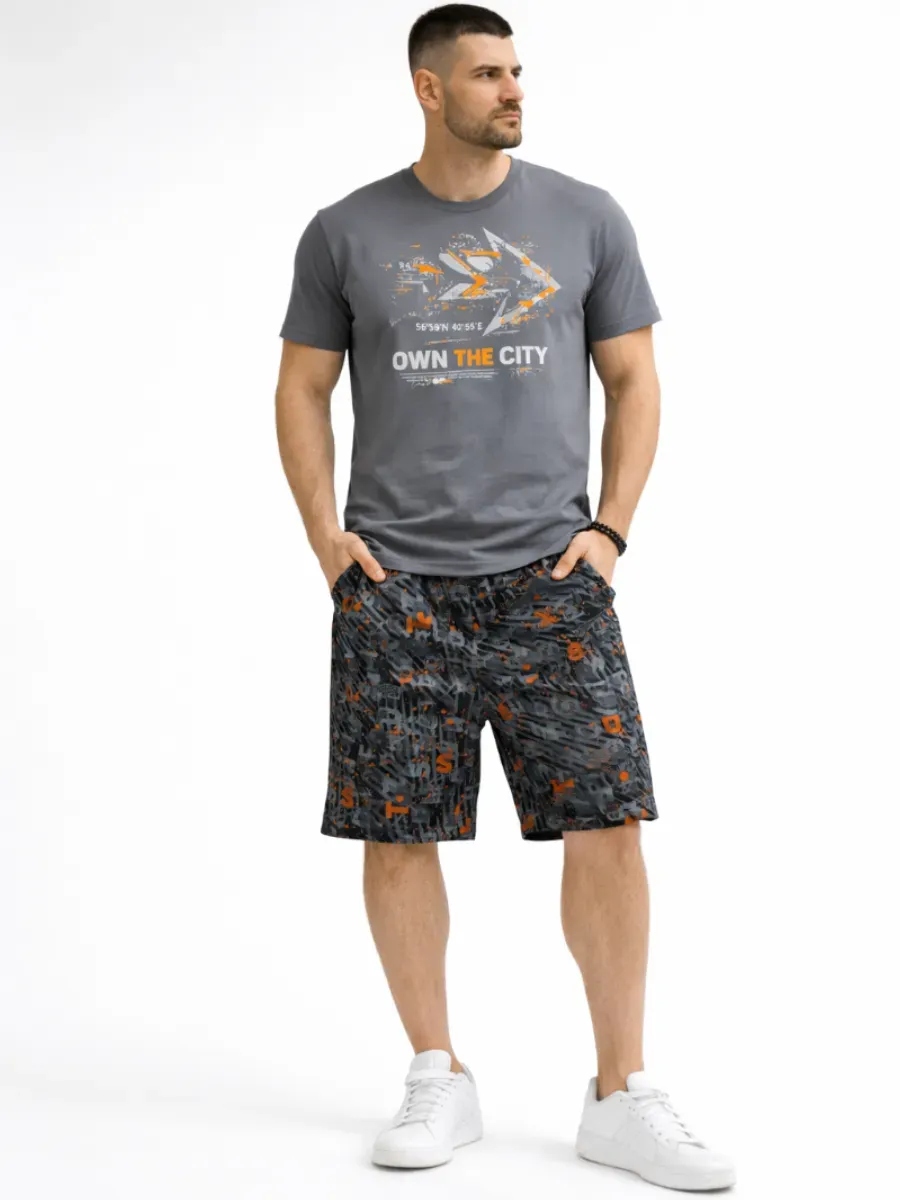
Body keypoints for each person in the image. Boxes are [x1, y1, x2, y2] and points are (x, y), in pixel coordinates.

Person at [274, 3, 735, 1190]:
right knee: (398, 829)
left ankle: (621, 1091)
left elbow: (635, 380)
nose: (513, 88)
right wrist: (329, 543)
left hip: (551, 580)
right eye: (487, 73)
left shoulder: (586, 217)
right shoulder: (344, 232)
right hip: (398, 589)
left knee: (609, 821)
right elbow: (302, 387)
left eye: (517, 69)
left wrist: (610, 530)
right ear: (429, 90)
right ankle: (439, 1071)